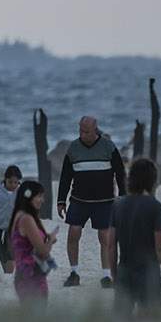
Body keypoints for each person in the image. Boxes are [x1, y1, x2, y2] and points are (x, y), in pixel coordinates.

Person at [58, 115, 127, 288]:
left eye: (86, 131)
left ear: (95, 130)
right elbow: (65, 177)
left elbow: (120, 172)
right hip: (79, 200)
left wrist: (123, 196)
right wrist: (61, 201)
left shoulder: (108, 147)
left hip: (104, 201)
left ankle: (106, 276)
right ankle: (74, 273)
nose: (82, 134)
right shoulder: (73, 148)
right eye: (80, 130)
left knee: (105, 238)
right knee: (73, 234)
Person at [112, 157, 161, 315]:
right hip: (149, 274)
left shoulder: (117, 205)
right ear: (152, 180)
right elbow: (160, 247)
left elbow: (109, 245)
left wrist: (115, 275)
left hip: (124, 271)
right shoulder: (156, 207)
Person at [10, 180, 57, 303]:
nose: (42, 200)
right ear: (29, 196)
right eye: (39, 196)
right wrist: (51, 240)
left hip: (24, 274)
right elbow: (43, 251)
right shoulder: (26, 219)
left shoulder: (19, 214)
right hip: (31, 277)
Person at [0, 165, 25, 274]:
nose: (13, 185)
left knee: (11, 253)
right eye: (10, 182)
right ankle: (8, 274)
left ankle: (10, 275)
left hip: (16, 228)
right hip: (1, 227)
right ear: (5, 179)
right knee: (2, 253)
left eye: (16, 182)